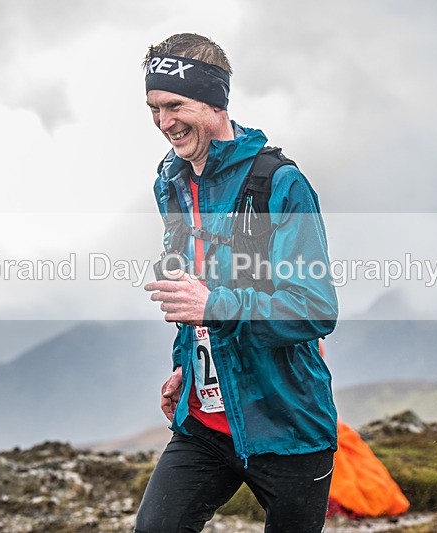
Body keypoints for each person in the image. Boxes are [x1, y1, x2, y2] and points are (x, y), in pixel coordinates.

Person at [138, 33, 339, 533]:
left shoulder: (280, 183)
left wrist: (216, 307)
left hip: (287, 424)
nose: (164, 123)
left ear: (214, 99)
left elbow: (314, 307)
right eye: (154, 108)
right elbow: (191, 295)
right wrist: (187, 366)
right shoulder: (171, 182)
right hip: (204, 422)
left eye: (175, 104)